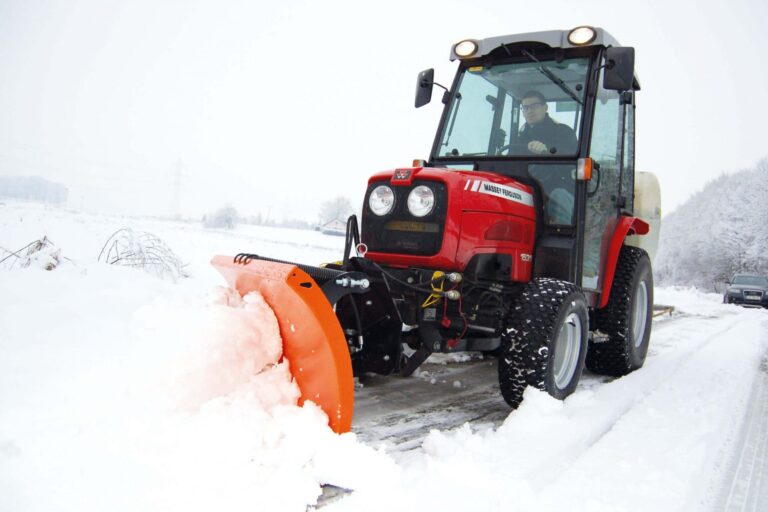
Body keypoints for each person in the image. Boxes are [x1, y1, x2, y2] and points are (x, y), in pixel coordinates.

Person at [516, 91, 578, 155]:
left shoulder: (564, 132)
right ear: (523, 112)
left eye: (534, 106)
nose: (529, 111)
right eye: (525, 107)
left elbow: (574, 158)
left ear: (545, 108)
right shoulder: (520, 137)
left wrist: (546, 151)